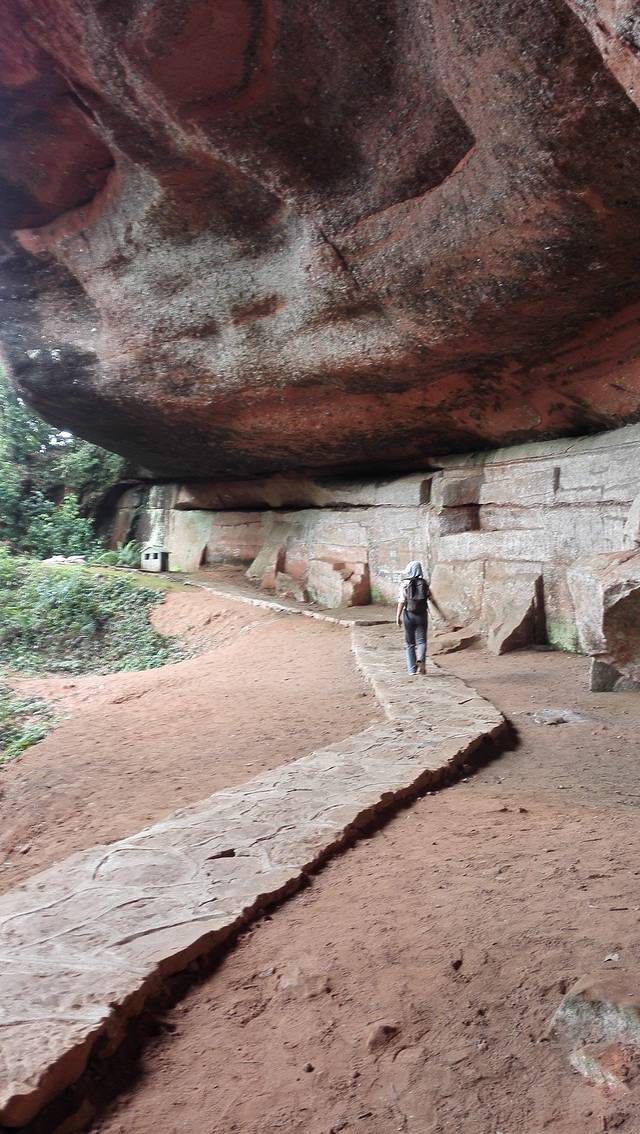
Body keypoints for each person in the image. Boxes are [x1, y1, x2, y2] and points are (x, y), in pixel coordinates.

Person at [396, 560, 444, 676]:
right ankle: (421, 660)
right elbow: (432, 600)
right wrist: (440, 613)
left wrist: (397, 617)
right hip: (422, 615)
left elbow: (401, 602)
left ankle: (412, 669)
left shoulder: (404, 584)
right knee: (422, 641)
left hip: (408, 615)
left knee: (410, 644)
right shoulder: (425, 584)